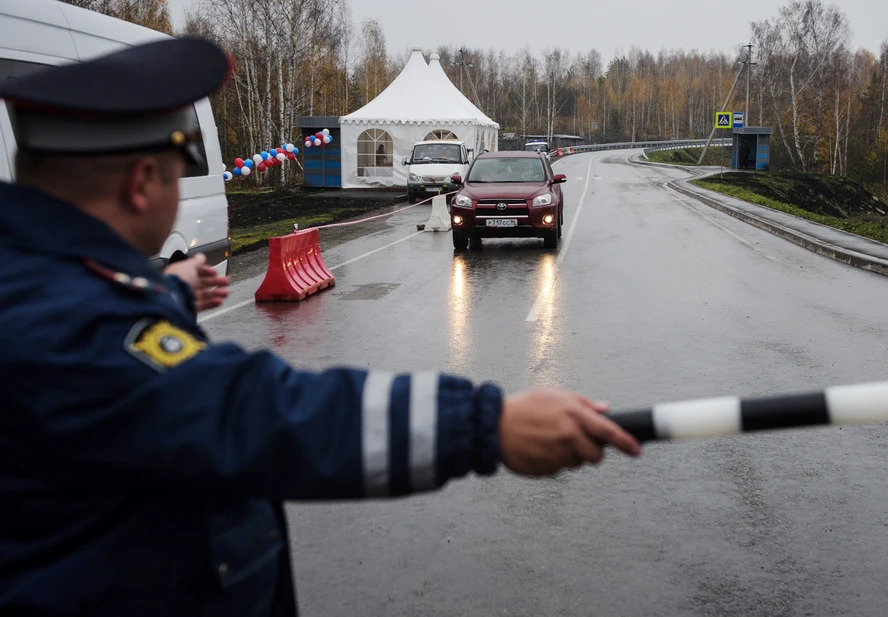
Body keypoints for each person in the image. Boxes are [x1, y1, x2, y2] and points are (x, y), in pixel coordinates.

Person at [0, 38, 642, 616]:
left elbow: (111, 364)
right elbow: (262, 412)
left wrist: (161, 295)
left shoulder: (40, 279)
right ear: (143, 184)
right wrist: (487, 425)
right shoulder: (68, 325)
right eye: (177, 175)